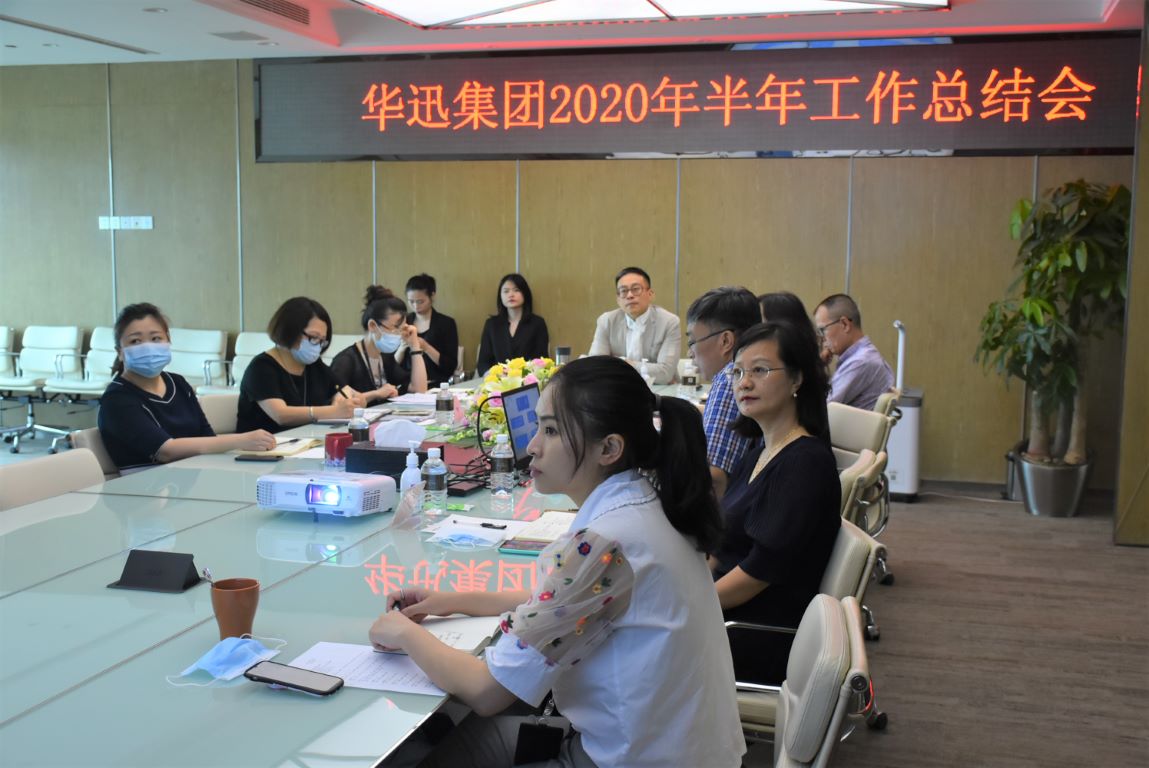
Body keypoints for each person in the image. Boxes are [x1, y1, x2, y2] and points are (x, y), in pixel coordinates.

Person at [368, 357, 745, 768]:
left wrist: (404, 632)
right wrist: (451, 600)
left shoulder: (604, 543)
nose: (532, 446)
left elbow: (485, 691)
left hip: (627, 758)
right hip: (676, 749)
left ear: (609, 449)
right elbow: (559, 603)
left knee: (439, 749)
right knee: (458, 738)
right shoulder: (645, 503)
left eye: (550, 430)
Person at [710, 320, 841, 685]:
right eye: (738, 372)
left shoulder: (805, 463)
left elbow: (757, 574)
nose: (744, 383)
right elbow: (720, 547)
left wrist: (689, 602)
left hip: (755, 633)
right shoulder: (758, 453)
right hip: (727, 614)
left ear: (797, 379)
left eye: (760, 370)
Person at [98, 303, 275, 471]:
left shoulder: (178, 383)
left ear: (168, 341)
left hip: (193, 476)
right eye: (136, 341)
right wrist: (241, 440)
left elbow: (206, 437)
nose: (148, 347)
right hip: (145, 486)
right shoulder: (116, 399)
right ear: (120, 352)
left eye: (156, 338)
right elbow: (166, 451)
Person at [236, 296, 365, 433]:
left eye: (322, 341)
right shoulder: (261, 368)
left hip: (306, 440)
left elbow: (346, 391)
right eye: (313, 337)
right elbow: (281, 415)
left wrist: (351, 400)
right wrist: (334, 411)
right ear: (289, 330)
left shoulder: (313, 365)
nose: (318, 346)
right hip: (265, 443)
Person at [685, 286, 761, 499]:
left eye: (692, 342)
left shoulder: (730, 379)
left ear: (726, 341)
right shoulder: (749, 375)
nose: (690, 353)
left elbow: (714, 478)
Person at [330, 285, 428, 404]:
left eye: (402, 329)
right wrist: (376, 394)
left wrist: (414, 346)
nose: (399, 335)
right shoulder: (346, 361)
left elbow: (419, 389)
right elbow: (337, 404)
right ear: (372, 326)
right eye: (395, 328)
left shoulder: (385, 357)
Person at [588, 267, 681, 384]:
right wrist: (647, 368)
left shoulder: (669, 322)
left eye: (636, 289)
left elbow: (665, 373)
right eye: (623, 291)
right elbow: (596, 367)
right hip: (618, 388)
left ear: (650, 294)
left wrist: (620, 364)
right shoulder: (606, 321)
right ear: (618, 299)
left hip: (660, 390)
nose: (630, 295)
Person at [814, 293, 895, 411]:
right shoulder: (865, 356)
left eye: (823, 330)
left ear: (845, 324)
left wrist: (814, 369)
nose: (822, 338)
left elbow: (819, 410)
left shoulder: (860, 362)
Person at [476, 273, 549, 375]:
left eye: (516, 290)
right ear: (500, 296)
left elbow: (541, 360)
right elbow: (483, 362)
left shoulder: (537, 323)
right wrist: (492, 375)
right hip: (498, 380)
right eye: (506, 291)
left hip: (528, 380)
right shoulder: (492, 324)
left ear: (525, 293)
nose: (511, 295)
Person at [396, 273, 458, 386]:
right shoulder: (403, 322)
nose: (415, 306)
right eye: (411, 301)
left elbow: (450, 366)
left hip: (436, 385)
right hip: (408, 386)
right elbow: (391, 366)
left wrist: (426, 347)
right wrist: (402, 347)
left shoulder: (446, 323)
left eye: (420, 301)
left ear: (432, 296)